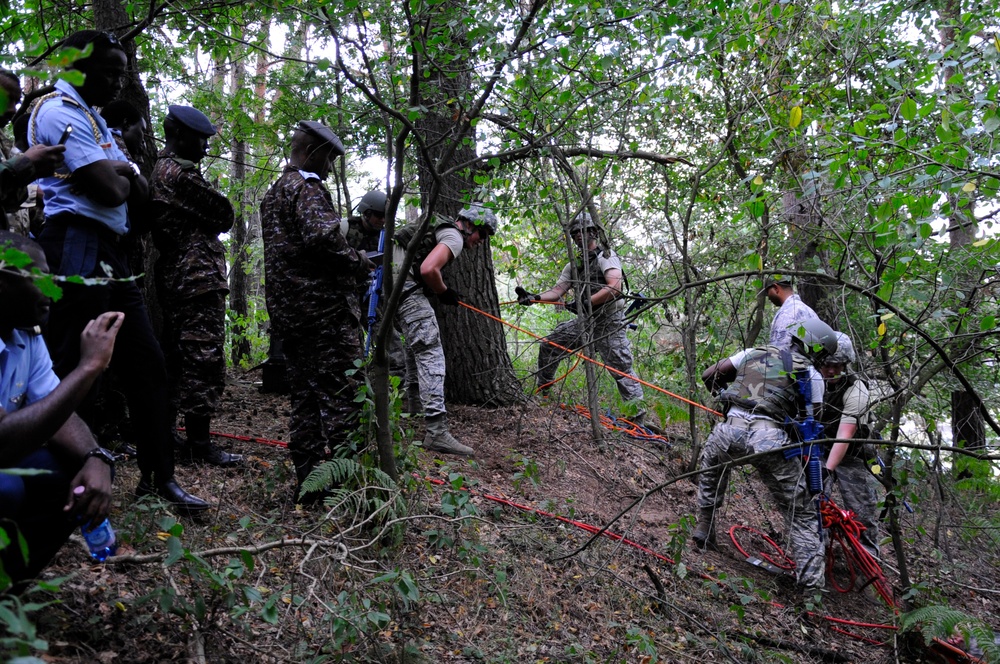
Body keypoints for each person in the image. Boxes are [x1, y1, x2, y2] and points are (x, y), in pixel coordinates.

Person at [28, 30, 209, 512]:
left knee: (147, 364)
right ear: (75, 68)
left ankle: (159, 479)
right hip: (73, 245)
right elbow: (111, 189)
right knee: (65, 367)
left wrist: (123, 172)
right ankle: (54, 483)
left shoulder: (96, 121)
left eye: (121, 73)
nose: (115, 83)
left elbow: (139, 189)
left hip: (114, 252)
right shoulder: (57, 112)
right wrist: (123, 171)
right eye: (107, 72)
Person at [260, 121, 374, 500]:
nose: (330, 168)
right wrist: (357, 260)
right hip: (323, 317)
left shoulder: (274, 192)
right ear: (312, 152)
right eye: (329, 159)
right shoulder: (306, 190)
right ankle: (346, 487)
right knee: (343, 397)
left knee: (306, 399)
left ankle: (309, 483)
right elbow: (324, 240)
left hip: (290, 316)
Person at [0, 231, 120, 584]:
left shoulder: (27, 336)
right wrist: (88, 368)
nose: (53, 286)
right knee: (7, 490)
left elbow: (58, 415)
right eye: (38, 276)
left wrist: (96, 457)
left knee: (83, 471)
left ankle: (10, 588)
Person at [693, 318, 838, 593]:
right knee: (802, 513)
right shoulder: (811, 374)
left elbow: (710, 374)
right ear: (817, 350)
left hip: (729, 430)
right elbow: (814, 421)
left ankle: (705, 526)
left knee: (713, 470)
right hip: (770, 439)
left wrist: (723, 400)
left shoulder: (754, 352)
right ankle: (812, 590)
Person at [149, 105, 241, 467]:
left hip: (183, 276)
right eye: (200, 139)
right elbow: (225, 213)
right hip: (194, 278)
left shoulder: (163, 170)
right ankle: (199, 444)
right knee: (202, 358)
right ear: (182, 136)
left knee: (178, 357)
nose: (205, 148)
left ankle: (171, 434)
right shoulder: (179, 174)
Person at [391, 202, 498, 457]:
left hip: (389, 288)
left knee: (413, 347)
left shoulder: (438, 226)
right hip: (404, 288)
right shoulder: (454, 235)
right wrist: (444, 292)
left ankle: (413, 409)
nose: (481, 241)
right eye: (482, 235)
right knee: (430, 352)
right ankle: (437, 432)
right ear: (470, 224)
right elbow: (429, 269)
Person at [516, 212, 644, 417]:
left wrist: (585, 302)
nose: (577, 236)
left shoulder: (606, 257)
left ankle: (637, 418)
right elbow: (558, 291)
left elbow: (615, 287)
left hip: (609, 322)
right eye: (574, 232)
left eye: (581, 231)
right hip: (586, 321)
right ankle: (543, 393)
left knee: (621, 369)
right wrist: (534, 297)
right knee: (550, 345)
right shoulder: (574, 265)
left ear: (592, 232)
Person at [819, 331, 880, 559]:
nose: (832, 370)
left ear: (846, 364)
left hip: (852, 456)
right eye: (826, 364)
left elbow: (845, 435)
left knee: (862, 515)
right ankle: (818, 558)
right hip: (819, 451)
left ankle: (868, 567)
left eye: (837, 365)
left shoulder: (857, 389)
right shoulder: (812, 381)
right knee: (814, 506)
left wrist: (828, 470)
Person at [341, 189, 405, 373]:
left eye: (385, 216)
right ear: (366, 212)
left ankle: (396, 380)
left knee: (388, 338)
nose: (382, 220)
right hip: (343, 295)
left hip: (372, 294)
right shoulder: (345, 228)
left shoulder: (386, 237)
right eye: (378, 215)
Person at [0, 70, 65, 222]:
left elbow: (7, 200)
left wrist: (42, 196)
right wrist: (25, 164)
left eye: (16, 103)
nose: (12, 110)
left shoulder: (5, 145)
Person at [763, 275, 818, 352]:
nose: (768, 297)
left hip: (793, 363)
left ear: (776, 288)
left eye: (768, 292)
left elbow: (779, 352)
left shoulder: (786, 313)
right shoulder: (809, 311)